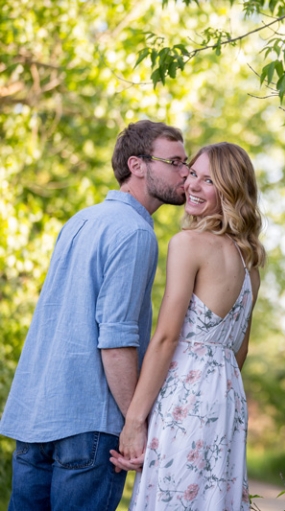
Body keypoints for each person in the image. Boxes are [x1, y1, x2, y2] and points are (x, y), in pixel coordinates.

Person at [0, 120, 190, 511]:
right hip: (90, 426)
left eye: (185, 163)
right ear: (137, 165)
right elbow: (117, 339)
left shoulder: (80, 221)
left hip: (36, 417)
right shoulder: (137, 233)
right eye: (175, 162)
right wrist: (134, 423)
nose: (185, 173)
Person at [111, 142, 265, 510]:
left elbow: (165, 338)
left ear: (230, 190)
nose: (193, 186)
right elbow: (239, 350)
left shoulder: (189, 243)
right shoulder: (251, 264)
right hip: (226, 396)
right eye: (192, 173)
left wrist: (134, 421)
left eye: (209, 180)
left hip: (186, 393)